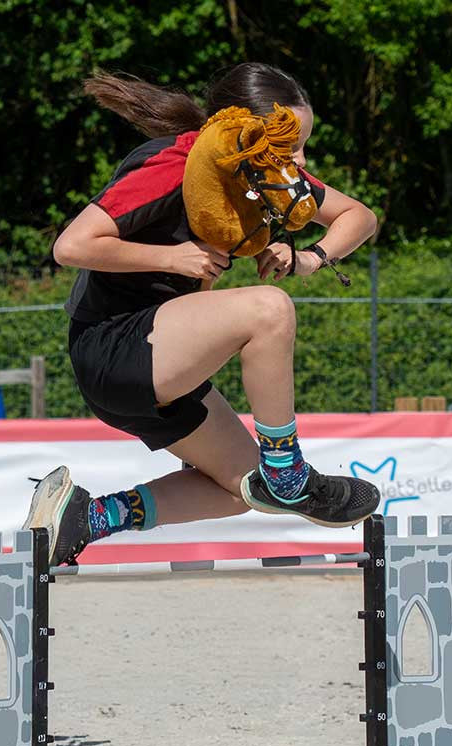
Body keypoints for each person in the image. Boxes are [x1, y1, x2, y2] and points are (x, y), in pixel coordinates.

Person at [23, 63, 380, 565]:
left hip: (161, 361)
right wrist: (170, 257)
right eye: (289, 143)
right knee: (268, 309)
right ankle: (289, 471)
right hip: (113, 345)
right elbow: (72, 245)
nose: (299, 159)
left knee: (243, 491)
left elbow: (359, 216)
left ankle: (87, 518)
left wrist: (308, 258)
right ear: (244, 130)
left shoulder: (262, 172)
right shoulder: (173, 163)